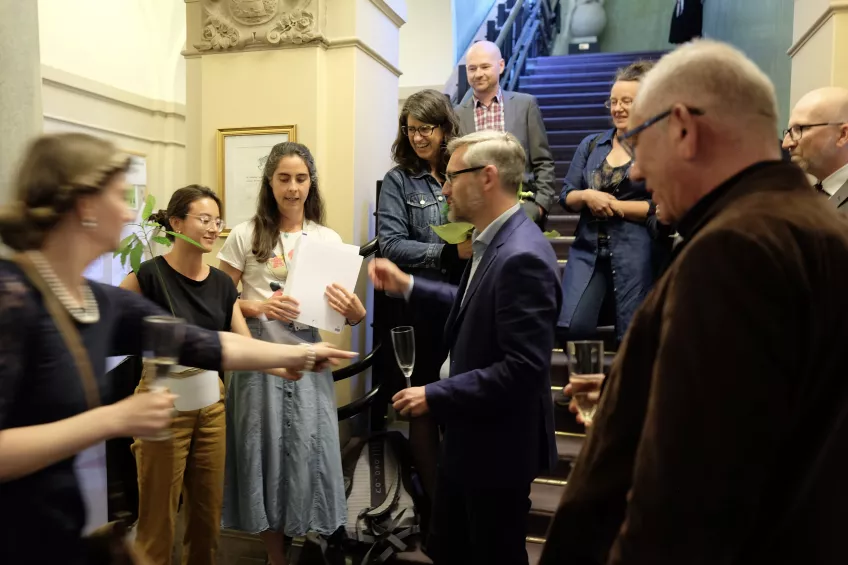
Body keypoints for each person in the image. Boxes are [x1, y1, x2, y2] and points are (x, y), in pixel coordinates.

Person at [540, 40, 848, 565]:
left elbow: (686, 498)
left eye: (639, 139)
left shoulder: (735, 248)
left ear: (682, 128)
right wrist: (634, 383)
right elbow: (758, 398)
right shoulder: (806, 223)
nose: (635, 173)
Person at [0, 133, 354, 565]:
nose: (131, 211)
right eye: (119, 196)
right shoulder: (12, 298)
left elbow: (200, 342)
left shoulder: (94, 299)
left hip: (56, 531)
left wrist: (294, 356)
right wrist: (111, 419)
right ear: (84, 206)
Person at [370, 131, 560, 565]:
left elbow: (522, 370)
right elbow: (475, 304)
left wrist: (433, 394)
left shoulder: (522, 255)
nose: (444, 188)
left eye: (452, 176)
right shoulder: (493, 240)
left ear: (487, 177)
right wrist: (410, 285)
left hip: (496, 447)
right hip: (469, 434)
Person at [217, 141, 366, 565]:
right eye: (284, 178)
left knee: (307, 446)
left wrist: (357, 313)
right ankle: (274, 555)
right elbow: (220, 299)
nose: (293, 187)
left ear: (310, 183)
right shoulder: (246, 233)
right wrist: (259, 305)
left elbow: (344, 311)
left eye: (301, 179)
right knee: (262, 447)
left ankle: (303, 540)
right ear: (270, 182)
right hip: (258, 351)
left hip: (307, 349)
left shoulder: (326, 238)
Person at [120, 185, 271, 564]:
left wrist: (287, 360)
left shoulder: (222, 284)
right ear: (175, 222)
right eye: (203, 220)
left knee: (206, 521)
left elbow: (244, 343)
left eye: (216, 221)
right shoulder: (148, 275)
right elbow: (113, 329)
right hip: (161, 411)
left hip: (211, 410)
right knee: (157, 522)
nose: (212, 229)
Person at [377, 89, 469, 502]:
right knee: (423, 401)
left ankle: (460, 495)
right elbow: (391, 244)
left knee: (461, 397)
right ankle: (435, 506)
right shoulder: (399, 180)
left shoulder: (462, 170)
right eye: (411, 129)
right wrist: (447, 253)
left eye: (425, 129)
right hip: (420, 306)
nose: (417, 138)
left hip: (465, 298)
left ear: (445, 128)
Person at [557, 60, 657, 346]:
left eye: (627, 101)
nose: (618, 108)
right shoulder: (591, 144)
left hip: (636, 250)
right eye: (613, 101)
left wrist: (615, 206)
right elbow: (566, 195)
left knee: (631, 336)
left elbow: (662, 209)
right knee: (571, 328)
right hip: (588, 248)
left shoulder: (658, 146)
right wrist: (588, 196)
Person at [454, 41, 556, 226]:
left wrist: (540, 206)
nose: (478, 74)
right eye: (472, 68)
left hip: (522, 208)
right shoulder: (457, 115)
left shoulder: (526, 105)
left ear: (500, 66)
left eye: (485, 66)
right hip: (476, 216)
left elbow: (543, 162)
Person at [783, 86, 848, 211]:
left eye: (799, 129)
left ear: (842, 135)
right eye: (789, 131)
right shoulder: (797, 198)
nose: (786, 144)